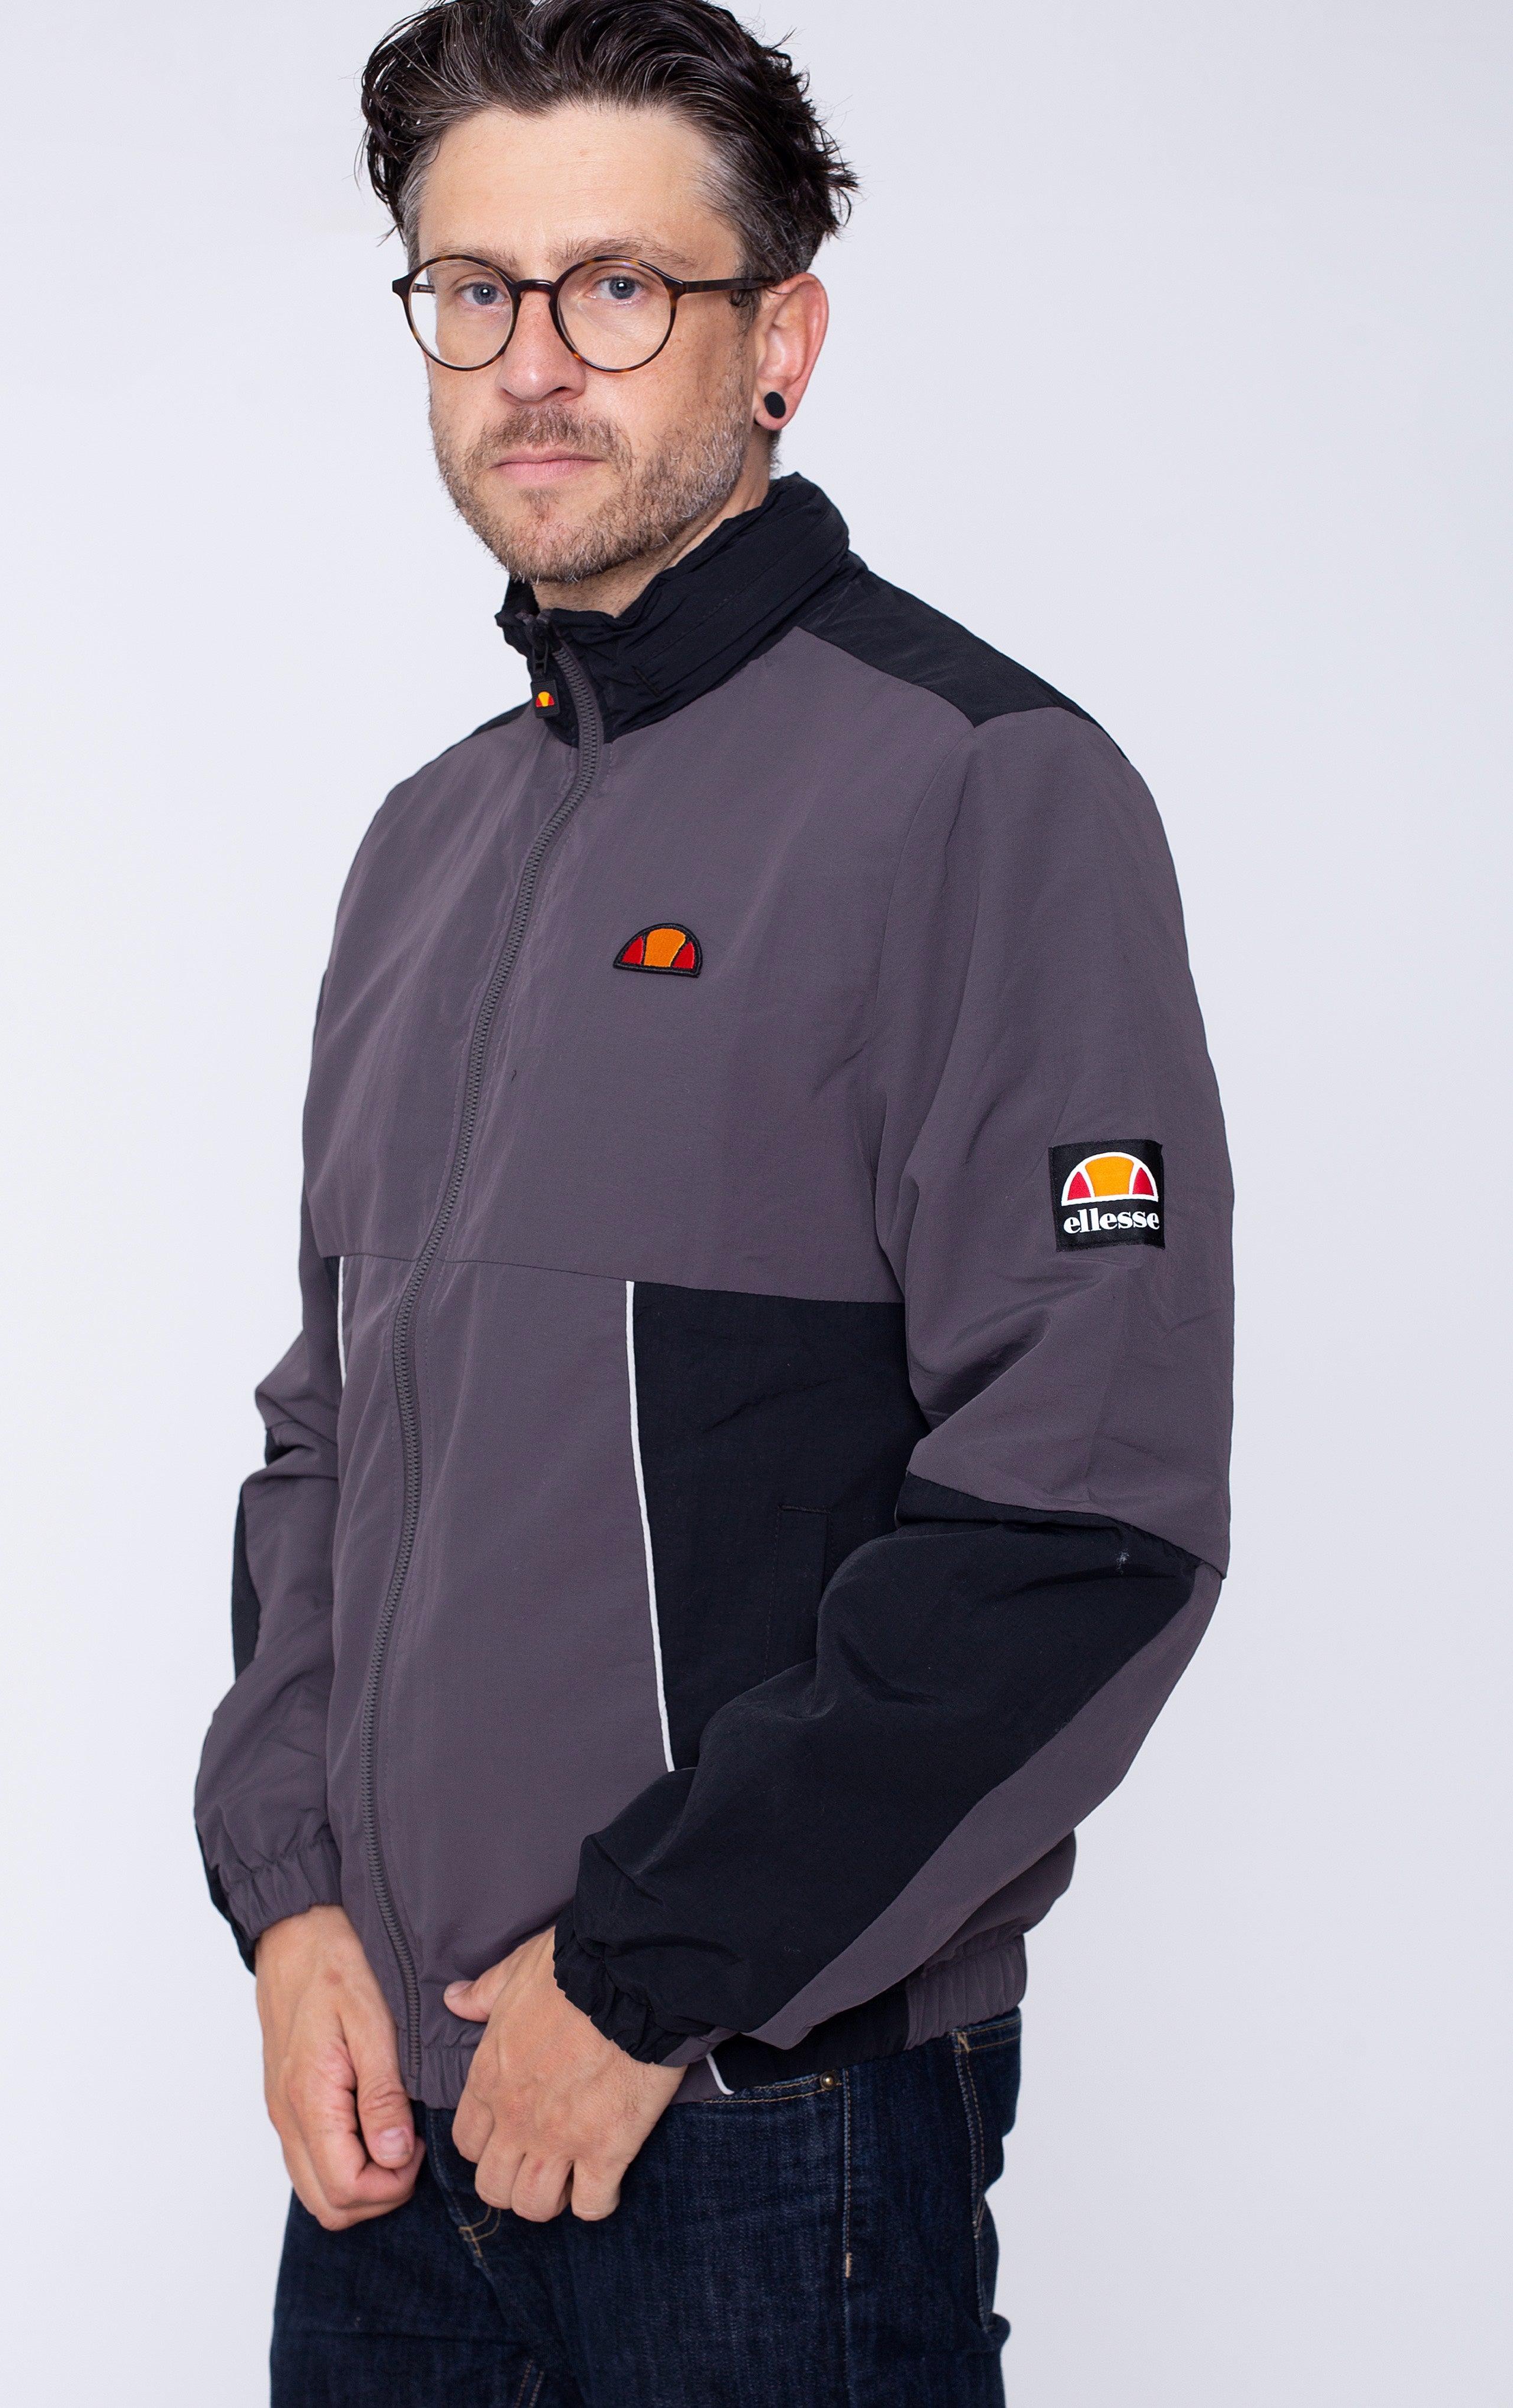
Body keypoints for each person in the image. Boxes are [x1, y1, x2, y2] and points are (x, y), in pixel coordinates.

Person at [194, 2, 1234, 2399]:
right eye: (477, 290)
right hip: (392, 2143)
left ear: (782, 341)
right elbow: (329, 1435)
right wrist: (290, 1902)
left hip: (764, 2129)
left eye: (618, 287)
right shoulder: (428, 840)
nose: (534, 363)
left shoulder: (983, 790)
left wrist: (650, 1975)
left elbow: (1085, 1519)